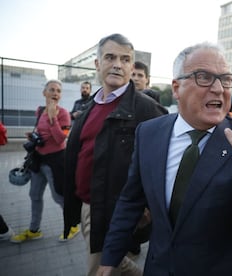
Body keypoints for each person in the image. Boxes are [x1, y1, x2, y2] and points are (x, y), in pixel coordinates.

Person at [97, 42, 232, 276]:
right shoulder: (148, 133)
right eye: (204, 77)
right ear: (176, 88)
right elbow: (130, 200)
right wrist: (109, 258)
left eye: (225, 79)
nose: (218, 88)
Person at [63, 33, 168, 276]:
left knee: (102, 269)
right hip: (88, 206)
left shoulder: (147, 109)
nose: (118, 64)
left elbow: (168, 159)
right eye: (110, 57)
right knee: (111, 264)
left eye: (125, 59)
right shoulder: (90, 107)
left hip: (116, 212)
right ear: (98, 64)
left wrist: (149, 205)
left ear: (132, 67)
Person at [11, 80, 76, 243]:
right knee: (34, 195)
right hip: (38, 160)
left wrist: (53, 119)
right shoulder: (39, 111)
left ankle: (73, 224)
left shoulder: (64, 113)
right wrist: (33, 137)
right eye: (52, 90)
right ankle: (34, 230)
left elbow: (61, 138)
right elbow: (41, 132)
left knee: (58, 197)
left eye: (58, 91)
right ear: (44, 93)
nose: (55, 93)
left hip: (56, 161)